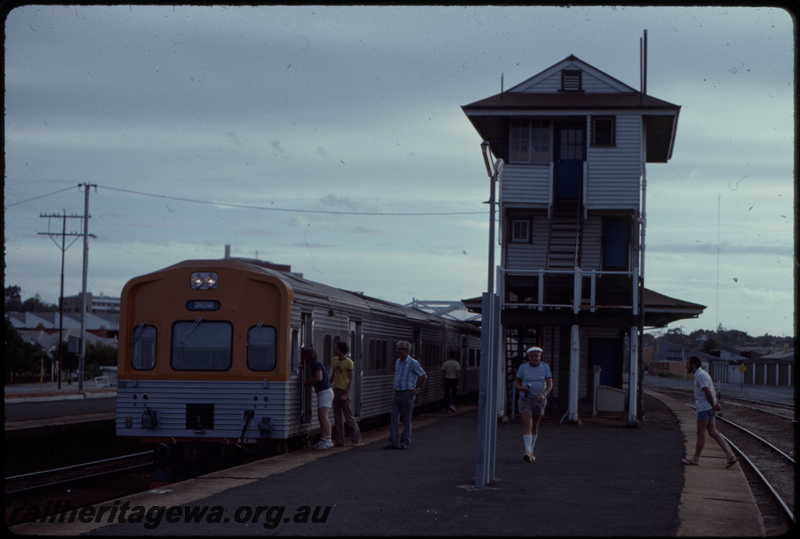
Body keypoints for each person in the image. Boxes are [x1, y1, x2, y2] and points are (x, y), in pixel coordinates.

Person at [682, 356, 738, 468]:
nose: (686, 365)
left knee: (701, 433)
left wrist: (713, 404)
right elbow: (710, 391)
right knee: (712, 432)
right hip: (709, 407)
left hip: (704, 408)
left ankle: (695, 459)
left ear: (693, 364)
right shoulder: (703, 374)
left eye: (687, 363)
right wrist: (714, 404)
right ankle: (728, 454)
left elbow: (707, 391)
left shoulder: (700, 375)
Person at [383, 340, 427, 450]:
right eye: (397, 349)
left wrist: (418, 389)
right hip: (397, 393)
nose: (398, 351)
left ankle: (405, 442)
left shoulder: (413, 363)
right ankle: (392, 442)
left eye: (400, 349)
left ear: (406, 350)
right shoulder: (398, 361)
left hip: (407, 393)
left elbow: (424, 376)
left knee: (406, 420)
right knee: (393, 418)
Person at [514, 346, 553, 462]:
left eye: (536, 356)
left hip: (539, 399)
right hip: (525, 398)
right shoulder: (523, 367)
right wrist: (521, 388)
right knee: (528, 424)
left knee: (535, 424)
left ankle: (531, 451)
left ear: (540, 357)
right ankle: (527, 451)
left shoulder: (545, 367)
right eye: (531, 356)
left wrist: (544, 395)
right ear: (528, 357)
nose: (534, 358)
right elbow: (517, 382)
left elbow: (550, 384)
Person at [330, 341, 362, 447]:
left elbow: (351, 379)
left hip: (344, 391)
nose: (335, 350)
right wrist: (328, 385)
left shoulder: (349, 362)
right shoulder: (334, 360)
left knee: (349, 417)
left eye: (336, 348)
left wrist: (346, 393)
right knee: (337, 418)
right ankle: (339, 441)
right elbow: (333, 375)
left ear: (341, 350)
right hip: (336, 390)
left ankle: (356, 439)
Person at [301, 348, 334, 450]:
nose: (303, 358)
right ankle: (322, 439)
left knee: (324, 417)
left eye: (304, 356)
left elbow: (318, 377)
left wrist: (308, 382)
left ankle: (329, 440)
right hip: (323, 393)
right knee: (321, 417)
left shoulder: (315, 364)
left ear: (309, 356)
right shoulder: (316, 363)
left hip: (325, 392)